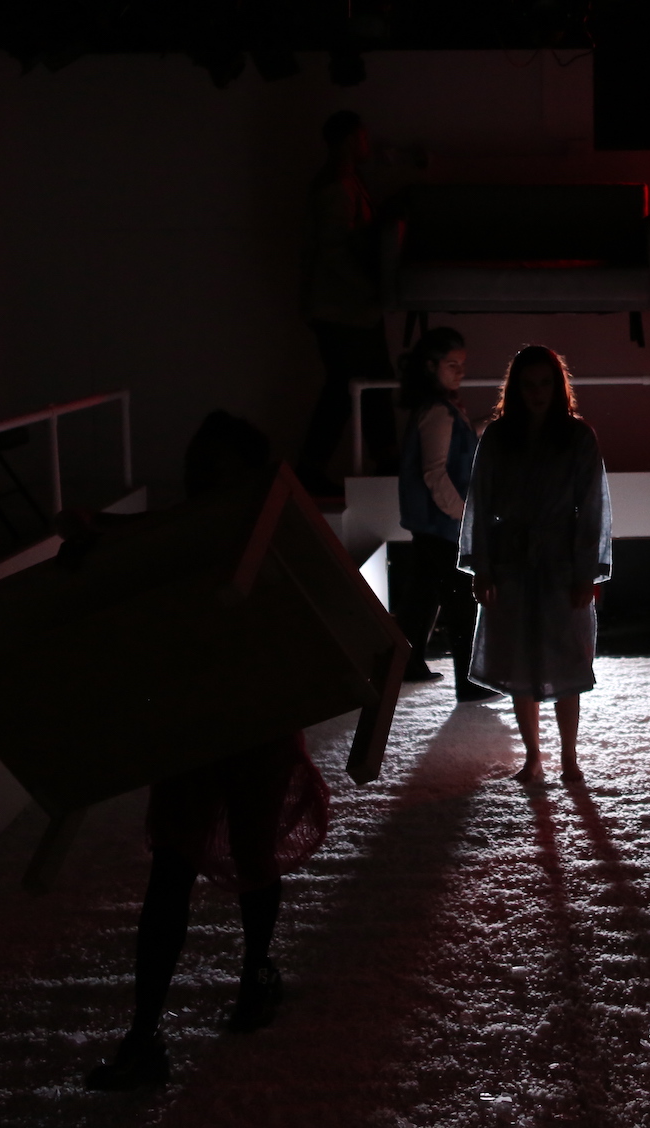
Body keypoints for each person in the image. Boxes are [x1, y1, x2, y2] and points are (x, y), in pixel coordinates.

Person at [86, 411, 332, 1091]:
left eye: (216, 471)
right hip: (197, 717)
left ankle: (252, 975)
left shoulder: (273, 537)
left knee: (247, 855)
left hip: (251, 716)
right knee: (172, 865)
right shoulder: (184, 535)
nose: (204, 482)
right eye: (200, 470)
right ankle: (147, 1031)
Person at [460, 346, 612, 781]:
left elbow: (593, 508)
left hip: (561, 560)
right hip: (510, 559)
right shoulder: (497, 436)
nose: (538, 392)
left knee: (567, 657)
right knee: (517, 656)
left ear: (558, 386)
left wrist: (587, 572)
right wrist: (482, 566)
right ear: (515, 387)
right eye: (529, 384)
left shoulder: (579, 437)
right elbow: (481, 502)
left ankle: (568, 756)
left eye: (546, 382)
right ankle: (532, 756)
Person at [295, 110, 396, 496]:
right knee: (348, 388)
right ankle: (314, 467)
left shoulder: (343, 183)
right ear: (351, 139)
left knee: (364, 384)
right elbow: (334, 251)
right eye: (364, 138)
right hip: (344, 311)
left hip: (348, 310)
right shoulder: (337, 186)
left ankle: (383, 461)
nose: (368, 145)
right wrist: (369, 290)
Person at [396, 326, 498, 702]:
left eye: (461, 365)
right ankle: (469, 685)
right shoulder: (438, 412)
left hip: (433, 525)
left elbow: (449, 454)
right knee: (460, 601)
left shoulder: (439, 410)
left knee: (423, 597)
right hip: (442, 525)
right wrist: (464, 516)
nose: (460, 371)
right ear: (430, 366)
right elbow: (435, 473)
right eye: (452, 364)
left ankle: (407, 664)